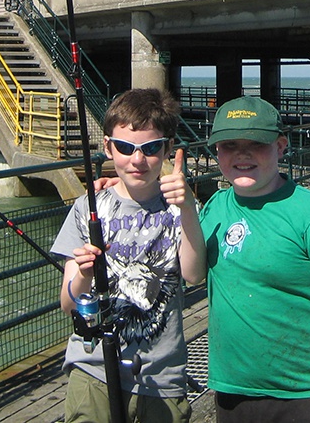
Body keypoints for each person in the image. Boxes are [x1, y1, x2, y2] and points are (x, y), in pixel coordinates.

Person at [200, 96, 310, 423]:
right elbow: (190, 270)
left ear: (280, 146)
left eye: (256, 144)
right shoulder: (213, 209)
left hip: (304, 395)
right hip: (232, 392)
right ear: (217, 152)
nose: (242, 154)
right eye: (229, 145)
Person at [52, 88, 205, 423]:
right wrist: (84, 274)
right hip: (93, 368)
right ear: (108, 147)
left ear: (167, 148)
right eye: (124, 148)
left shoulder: (181, 209)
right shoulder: (86, 207)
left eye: (151, 149)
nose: (137, 160)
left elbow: (195, 274)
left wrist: (188, 205)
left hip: (161, 374)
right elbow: (68, 303)